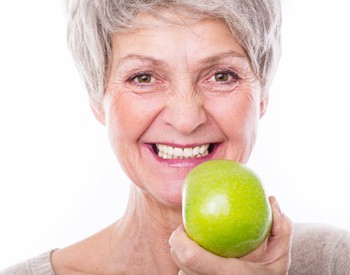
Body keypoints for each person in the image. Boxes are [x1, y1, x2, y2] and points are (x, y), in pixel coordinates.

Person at [1, 0, 350, 274]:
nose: (186, 120)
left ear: (262, 95)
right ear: (98, 98)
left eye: (222, 75)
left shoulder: (334, 262)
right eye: (143, 77)